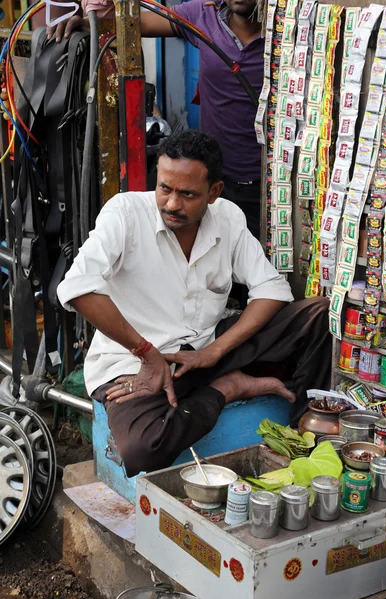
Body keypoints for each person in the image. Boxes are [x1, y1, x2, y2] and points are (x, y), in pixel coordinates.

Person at [57, 131, 331, 477]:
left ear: (214, 192)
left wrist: (215, 351)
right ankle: (228, 388)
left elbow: (272, 290)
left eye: (188, 194)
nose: (172, 204)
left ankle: (308, 441)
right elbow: (77, 288)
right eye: (165, 189)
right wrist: (146, 351)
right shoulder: (125, 214)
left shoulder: (227, 218)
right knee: (141, 449)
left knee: (317, 316)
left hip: (205, 350)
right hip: (134, 364)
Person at [47, 0, 264, 238]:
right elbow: (128, 24)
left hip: (268, 185)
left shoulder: (288, 31)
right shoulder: (203, 15)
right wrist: (88, 24)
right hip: (211, 182)